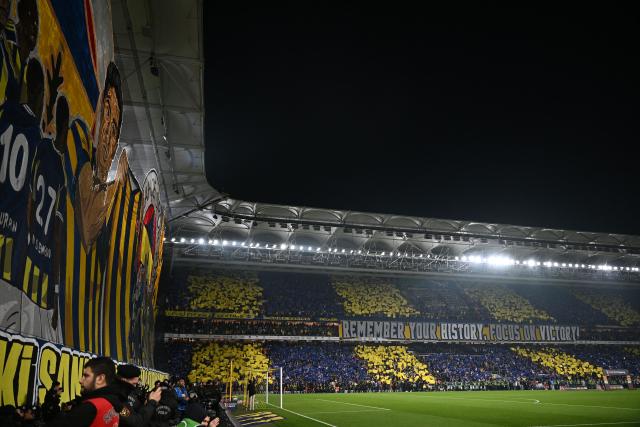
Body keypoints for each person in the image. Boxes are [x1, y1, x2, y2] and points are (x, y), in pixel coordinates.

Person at [49, 357, 122, 427]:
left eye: (86, 376)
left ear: (100, 379)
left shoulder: (91, 407)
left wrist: (52, 405)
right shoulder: (113, 401)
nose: (80, 381)